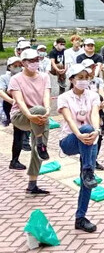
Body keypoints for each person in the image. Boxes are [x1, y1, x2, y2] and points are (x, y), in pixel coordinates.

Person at [57, 64, 101, 232]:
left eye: (86, 78)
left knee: (87, 182)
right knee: (86, 129)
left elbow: (95, 113)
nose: (84, 81)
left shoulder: (93, 95)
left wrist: (97, 131)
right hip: (70, 140)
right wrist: (80, 134)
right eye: (80, 78)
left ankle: (80, 218)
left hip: (90, 141)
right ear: (71, 80)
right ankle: (88, 170)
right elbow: (68, 119)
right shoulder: (65, 97)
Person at [9, 49, 52, 194]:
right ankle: (39, 142)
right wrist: (30, 114)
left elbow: (46, 95)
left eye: (37, 60)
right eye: (31, 60)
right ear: (23, 63)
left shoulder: (45, 77)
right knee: (38, 110)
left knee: (38, 152)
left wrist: (48, 110)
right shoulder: (16, 79)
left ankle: (32, 184)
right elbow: (19, 101)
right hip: (21, 116)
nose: (35, 63)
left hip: (39, 118)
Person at [0, 57, 28, 170]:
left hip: (23, 105)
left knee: (22, 132)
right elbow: (1, 91)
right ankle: (14, 160)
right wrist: (12, 100)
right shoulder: (4, 78)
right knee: (18, 133)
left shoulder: (24, 77)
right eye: (14, 65)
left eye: (19, 65)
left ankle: (17, 156)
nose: (17, 67)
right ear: (9, 67)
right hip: (11, 106)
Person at [81, 59, 104, 170]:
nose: (92, 69)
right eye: (89, 67)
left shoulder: (98, 80)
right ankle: (86, 161)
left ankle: (94, 159)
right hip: (86, 111)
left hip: (98, 111)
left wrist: (103, 101)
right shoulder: (81, 81)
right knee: (87, 135)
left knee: (99, 136)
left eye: (93, 67)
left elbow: (101, 92)